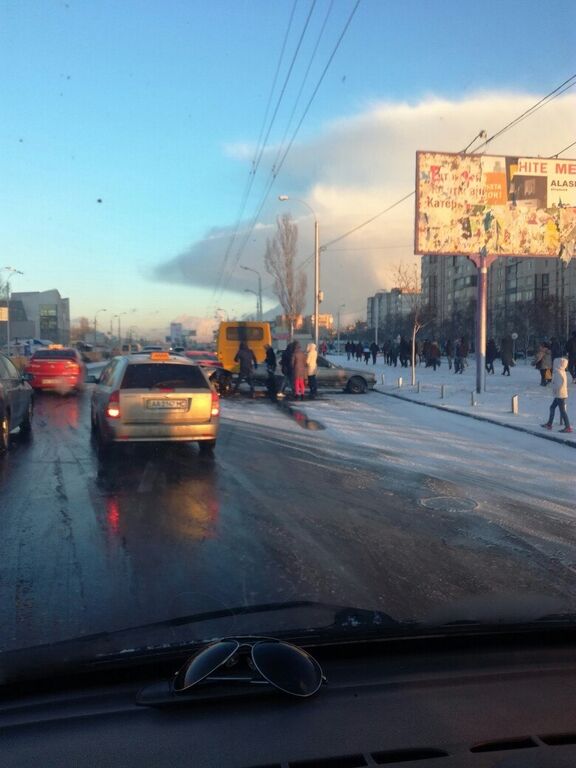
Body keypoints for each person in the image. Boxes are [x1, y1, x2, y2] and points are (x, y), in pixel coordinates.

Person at [541, 357, 572, 433]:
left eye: (555, 363)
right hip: (561, 393)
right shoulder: (563, 371)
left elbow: (557, 385)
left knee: (562, 411)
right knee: (552, 407)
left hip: (560, 394)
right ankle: (549, 424)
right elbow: (569, 380)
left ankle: (568, 427)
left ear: (558, 364)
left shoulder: (558, 373)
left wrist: (553, 386)